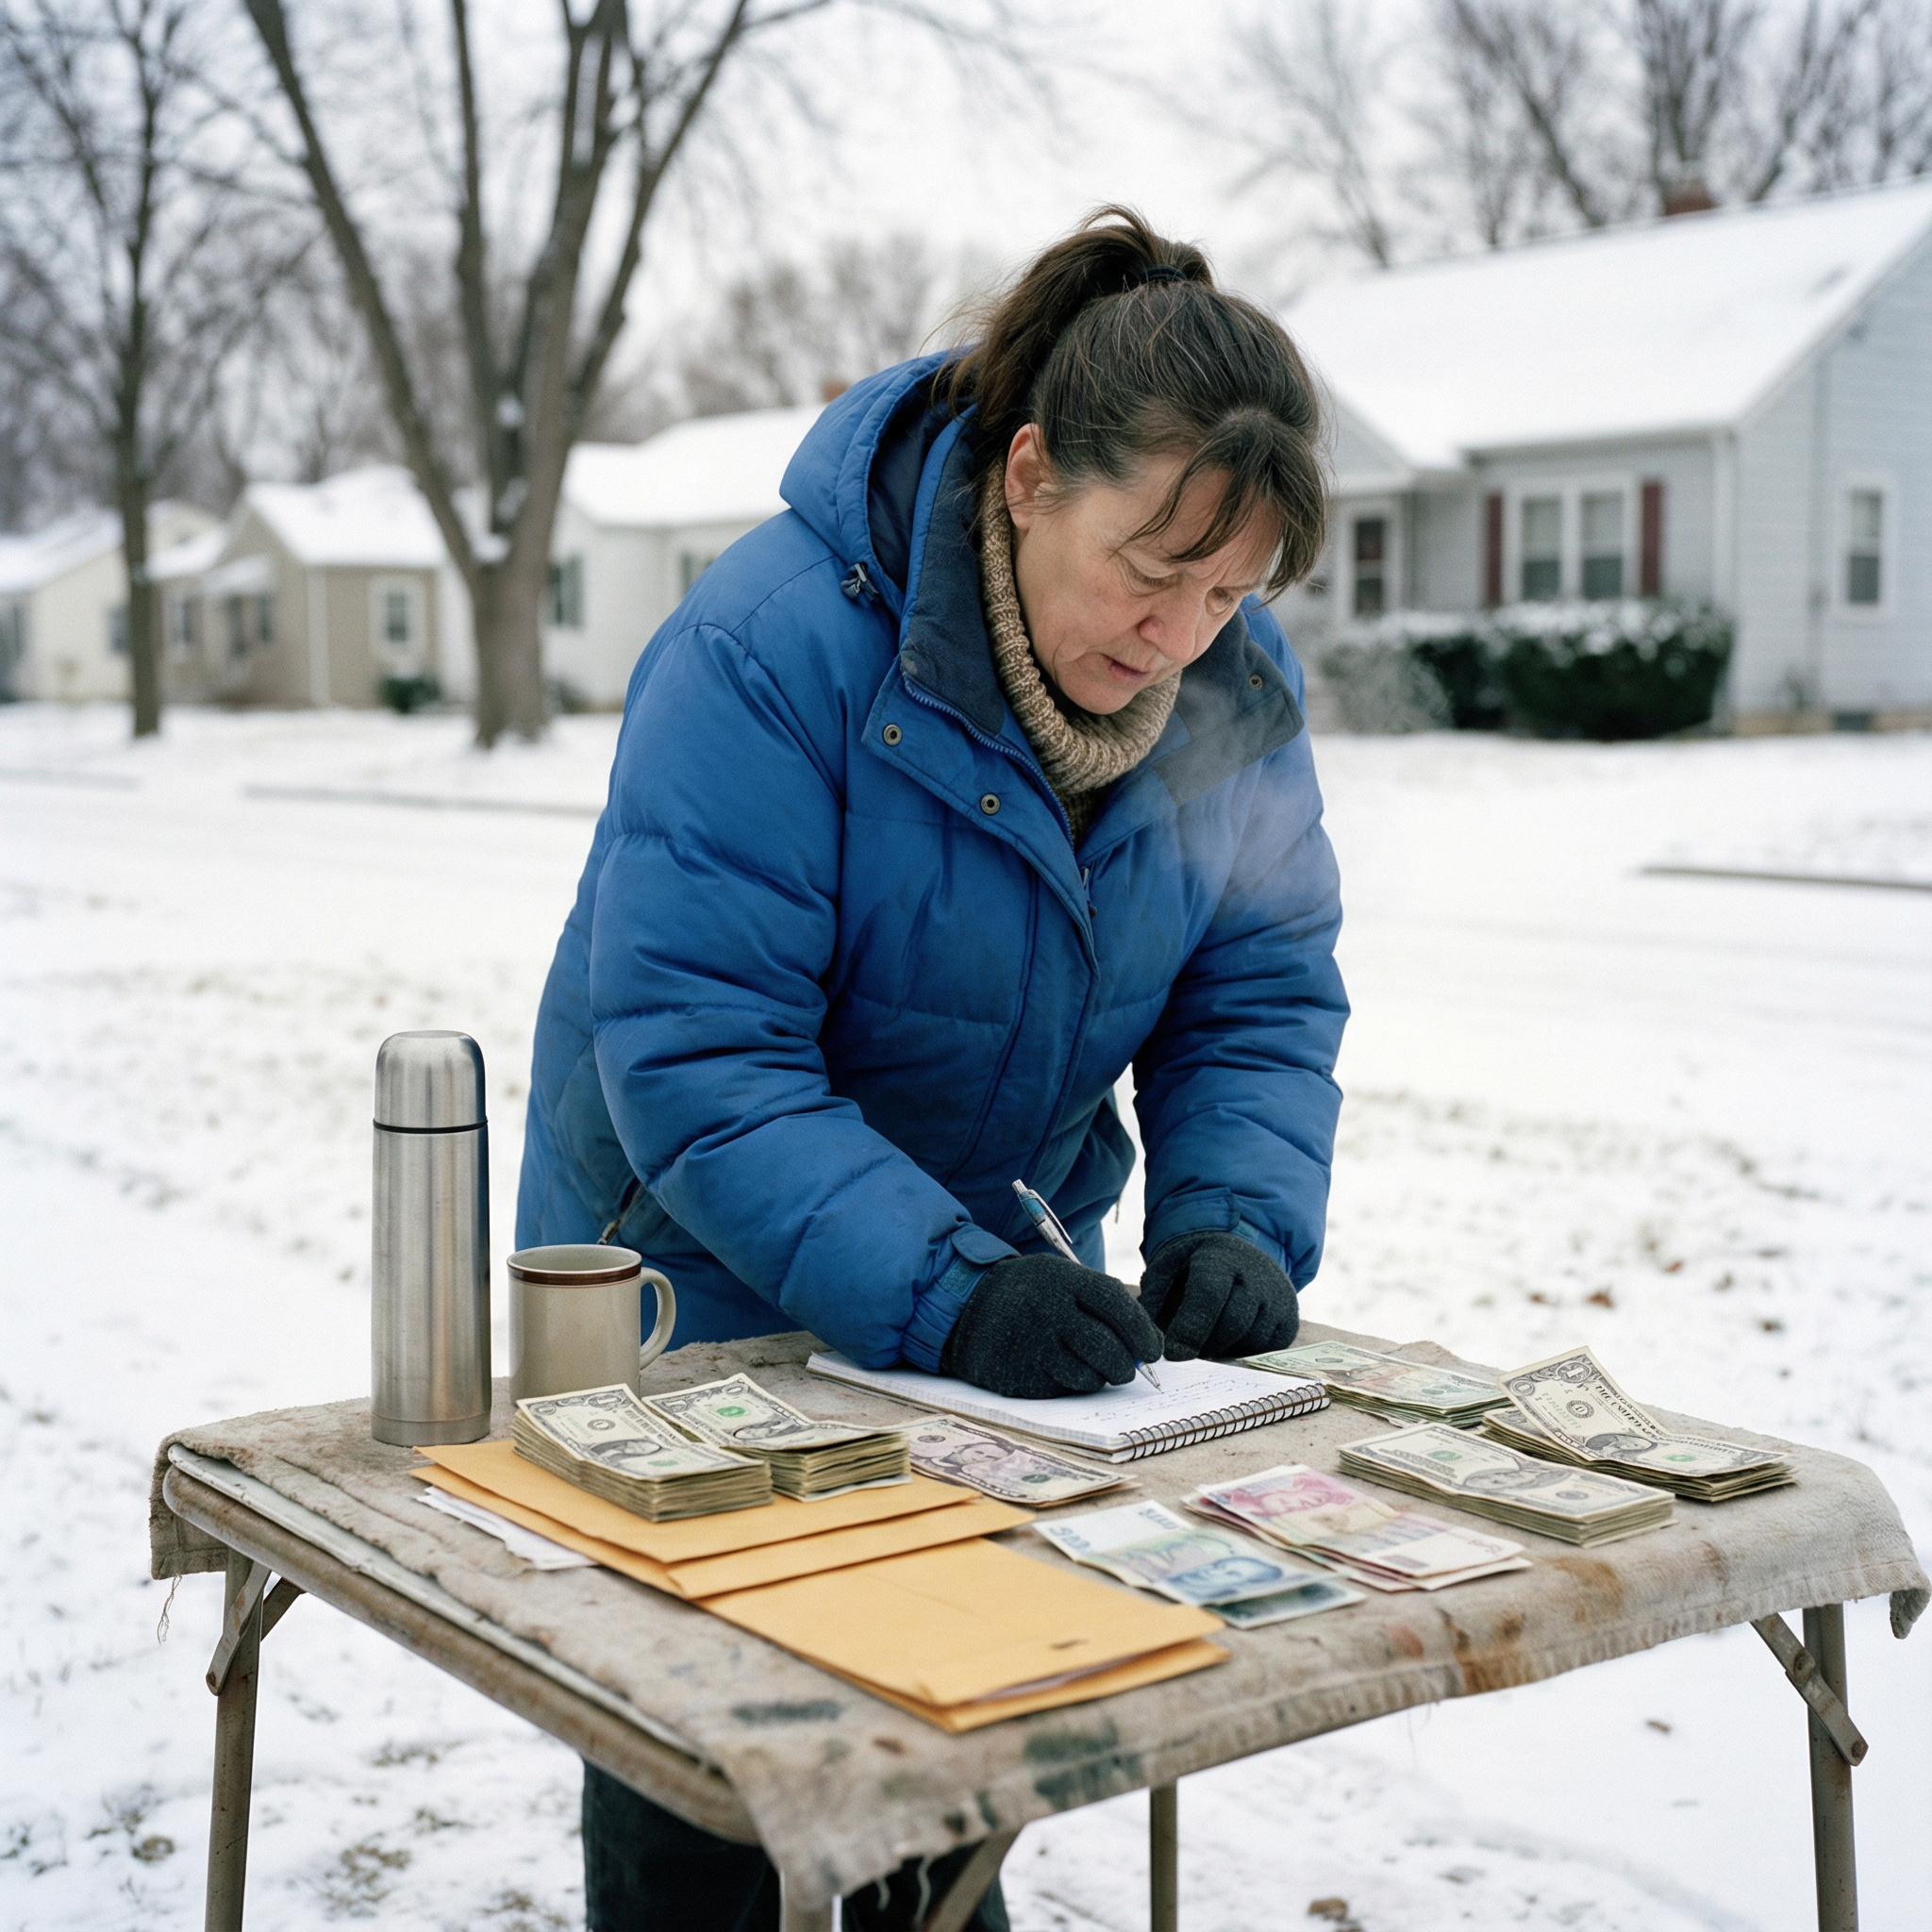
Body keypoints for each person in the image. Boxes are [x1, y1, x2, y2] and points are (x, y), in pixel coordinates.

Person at [517, 207, 1347, 1932]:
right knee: (724, 1792)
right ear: (1030, 476)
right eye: (1150, 570)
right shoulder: (768, 651)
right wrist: (952, 1294)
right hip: (693, 1294)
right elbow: (703, 1057)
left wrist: (1232, 1215)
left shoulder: (1230, 691)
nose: (1180, 635)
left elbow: (1256, 983)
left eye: (1228, 592)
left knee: (952, 1764)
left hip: (996, 1317)